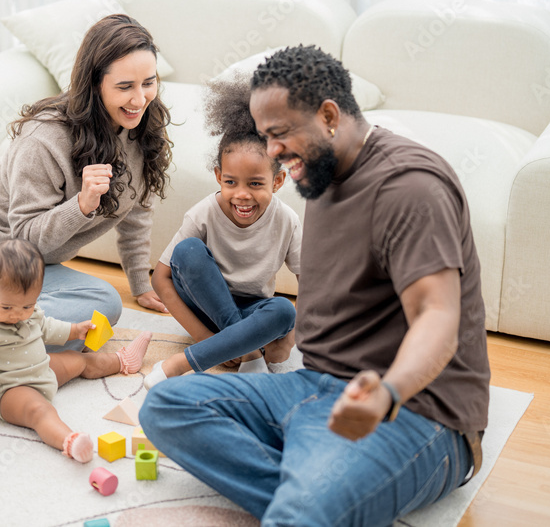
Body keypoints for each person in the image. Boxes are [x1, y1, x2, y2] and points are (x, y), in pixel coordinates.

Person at [140, 45, 490, 526]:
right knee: (166, 406)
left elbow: (438, 314)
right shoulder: (321, 176)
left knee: (301, 511)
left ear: (328, 116)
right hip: (314, 389)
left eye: (279, 134)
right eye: (266, 137)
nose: (273, 153)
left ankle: (312, 501)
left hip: (417, 413)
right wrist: (292, 334)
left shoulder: (409, 187)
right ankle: (318, 496)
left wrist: (388, 392)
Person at [0, 14, 173, 393]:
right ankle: (6, 343)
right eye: (125, 87)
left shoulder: (144, 126)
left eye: (149, 82)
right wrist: (81, 205)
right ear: (95, 84)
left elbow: (136, 210)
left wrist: (139, 283)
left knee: (104, 305)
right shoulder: (46, 136)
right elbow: (23, 236)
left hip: (34, 267)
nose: (140, 99)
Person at [145, 77, 301, 389]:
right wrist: (205, 338)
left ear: (278, 181)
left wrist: (289, 339)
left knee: (285, 310)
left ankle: (208, 354)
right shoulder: (203, 213)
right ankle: (242, 352)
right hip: (205, 309)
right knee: (187, 250)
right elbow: (160, 279)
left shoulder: (286, 220)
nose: (242, 194)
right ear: (218, 176)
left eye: (255, 183)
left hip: (254, 314)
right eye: (231, 182)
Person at [0, 239, 151, 462]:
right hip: (9, 390)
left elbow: (45, 327)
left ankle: (123, 360)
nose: (17, 315)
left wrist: (75, 330)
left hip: (41, 371)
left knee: (78, 358)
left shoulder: (24, 308)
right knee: (40, 410)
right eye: (7, 307)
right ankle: (70, 441)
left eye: (27, 306)